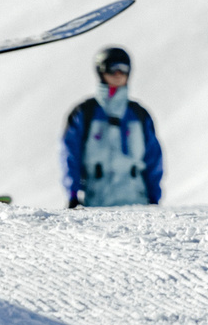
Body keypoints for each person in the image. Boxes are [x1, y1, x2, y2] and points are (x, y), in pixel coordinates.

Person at [61, 46, 162, 208]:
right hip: (96, 203)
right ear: (101, 71)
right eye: (112, 68)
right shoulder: (84, 113)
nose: (118, 74)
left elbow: (154, 157)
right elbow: (70, 154)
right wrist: (73, 193)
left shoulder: (139, 114)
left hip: (137, 203)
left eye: (123, 69)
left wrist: (154, 198)